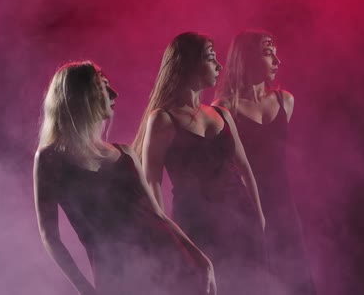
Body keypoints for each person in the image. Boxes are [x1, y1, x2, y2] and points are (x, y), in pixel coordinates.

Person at [33, 61, 215, 295]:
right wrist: (84, 288)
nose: (114, 93)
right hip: (118, 274)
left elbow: (158, 214)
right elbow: (50, 236)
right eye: (103, 86)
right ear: (80, 95)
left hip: (172, 261)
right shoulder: (50, 158)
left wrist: (200, 259)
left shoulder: (126, 153)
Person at [133, 32, 267, 295]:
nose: (219, 65)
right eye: (210, 58)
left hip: (241, 220)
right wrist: (167, 235)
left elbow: (245, 168)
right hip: (196, 224)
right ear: (190, 65)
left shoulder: (222, 114)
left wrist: (258, 217)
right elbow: (152, 182)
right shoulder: (163, 119)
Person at [213, 29, 316, 295]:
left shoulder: (286, 101)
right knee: (257, 278)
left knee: (296, 275)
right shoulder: (223, 108)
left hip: (283, 204)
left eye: (275, 54)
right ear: (246, 58)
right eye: (269, 53)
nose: (277, 61)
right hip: (244, 206)